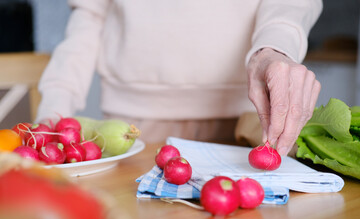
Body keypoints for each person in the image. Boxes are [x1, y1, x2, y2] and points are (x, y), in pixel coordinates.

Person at [35, 0, 323, 156]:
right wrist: (56, 105)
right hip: (135, 125)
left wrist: (273, 49)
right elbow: (89, 15)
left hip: (248, 121)